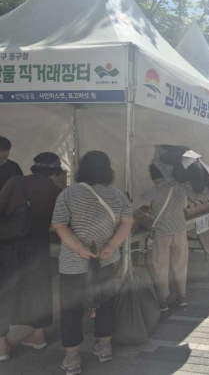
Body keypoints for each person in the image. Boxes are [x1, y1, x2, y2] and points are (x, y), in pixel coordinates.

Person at [52, 151, 134, 375]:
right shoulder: (117, 195)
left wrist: (79, 248)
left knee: (71, 309)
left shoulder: (68, 194)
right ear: (108, 169)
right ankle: (104, 348)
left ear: (83, 168)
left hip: (73, 262)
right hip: (106, 260)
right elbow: (127, 222)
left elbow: (59, 225)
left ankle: (72, 359)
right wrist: (111, 246)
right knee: (105, 303)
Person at [0, 153, 63, 362]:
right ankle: (38, 335)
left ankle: (2, 345)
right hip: (38, 245)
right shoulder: (56, 191)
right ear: (55, 171)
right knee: (39, 287)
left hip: (9, 244)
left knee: (5, 288)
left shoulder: (16, 181)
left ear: (35, 166)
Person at [140, 163, 194, 312]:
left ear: (151, 176)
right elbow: (184, 205)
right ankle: (182, 297)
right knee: (181, 264)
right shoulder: (180, 189)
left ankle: (163, 300)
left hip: (161, 231)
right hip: (179, 229)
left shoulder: (152, 191)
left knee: (160, 265)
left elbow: (136, 205)